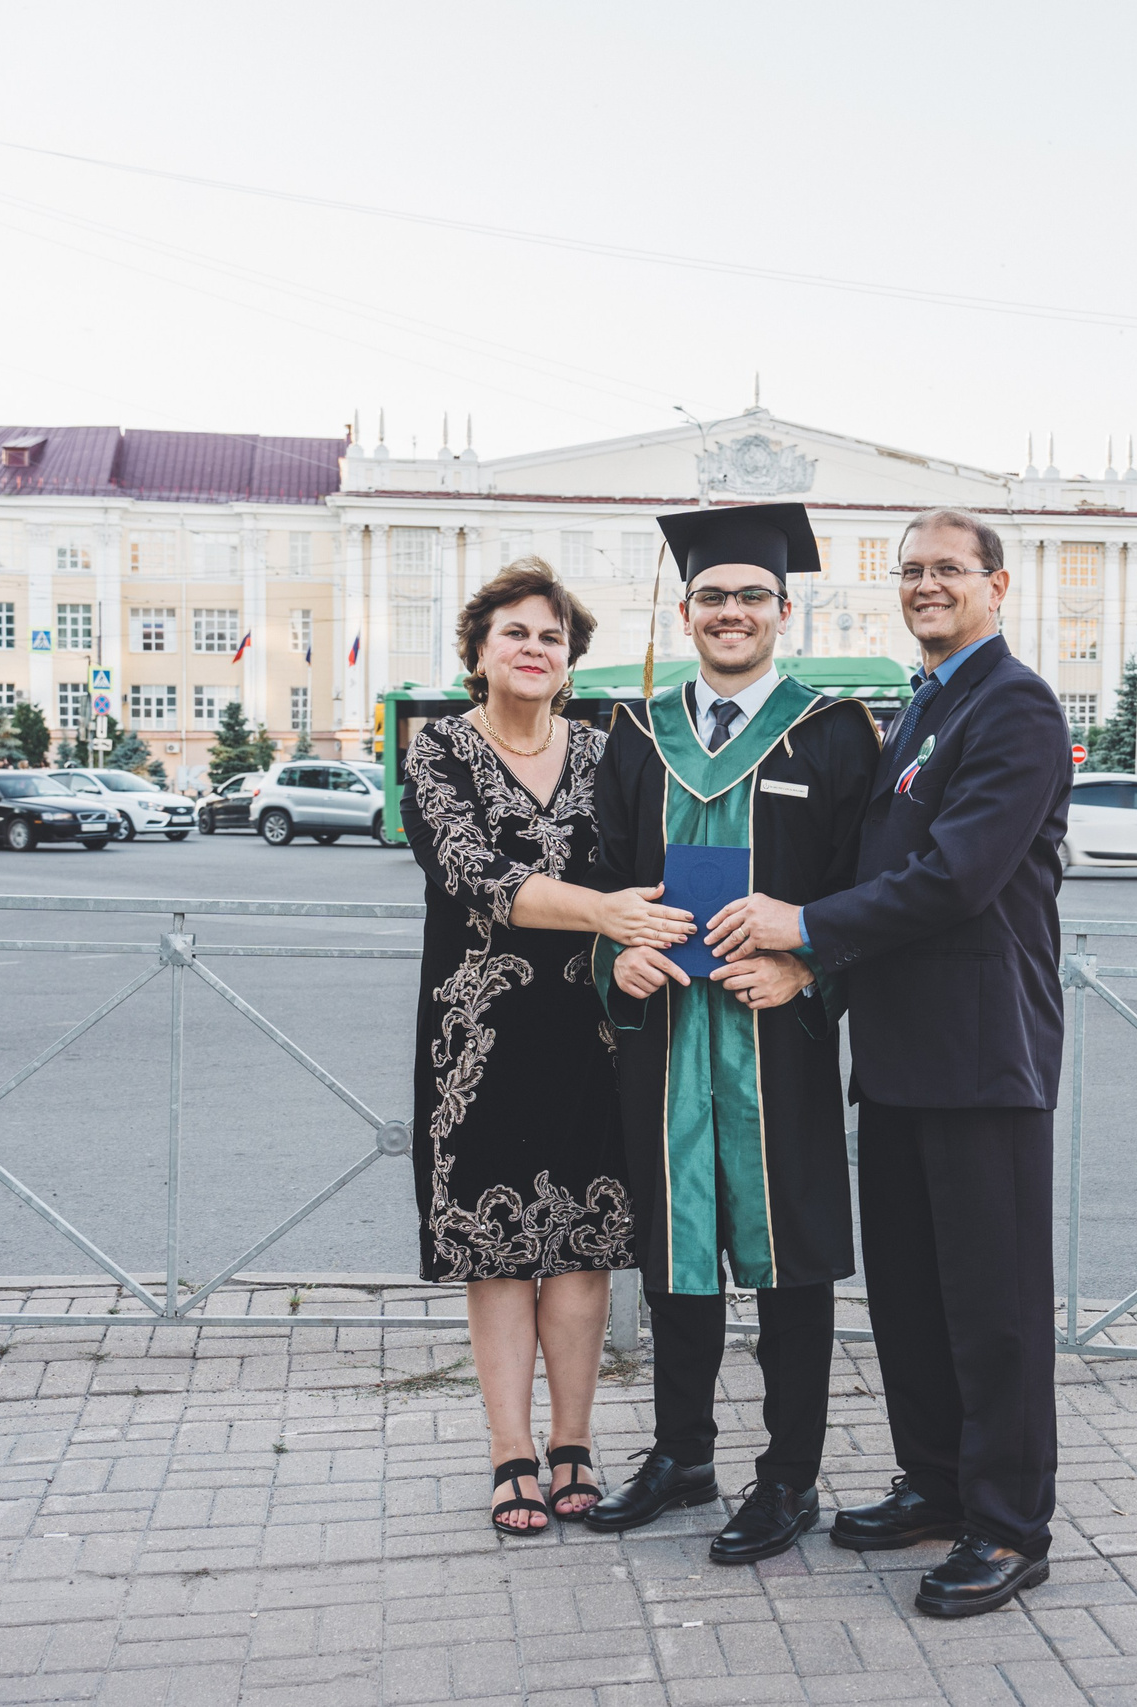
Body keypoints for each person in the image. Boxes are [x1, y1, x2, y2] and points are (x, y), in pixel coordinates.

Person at [707, 506, 1070, 1618]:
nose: (925, 586)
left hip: (982, 1052)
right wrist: (821, 966)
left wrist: (799, 932)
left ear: (995, 587)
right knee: (913, 1295)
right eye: (911, 571)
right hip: (905, 1053)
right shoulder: (922, 705)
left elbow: (954, 878)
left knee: (995, 1305)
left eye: (947, 570)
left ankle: (1008, 1528)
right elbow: (879, 860)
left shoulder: (1014, 707)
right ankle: (935, 1484)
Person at [581, 502, 882, 1564]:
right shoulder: (633, 736)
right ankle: (681, 1454)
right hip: (664, 1044)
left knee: (788, 1264)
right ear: (685, 609)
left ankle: (788, 1476)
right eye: (713, 596)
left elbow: (872, 891)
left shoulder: (834, 733)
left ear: (783, 612)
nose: (731, 613)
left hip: (777, 1045)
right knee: (677, 1262)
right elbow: (602, 885)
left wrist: (807, 967)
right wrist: (613, 955)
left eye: (752, 596)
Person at [399, 560, 696, 1538]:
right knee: (497, 1248)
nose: (535, 648)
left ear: (569, 662)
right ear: (478, 651)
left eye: (552, 637)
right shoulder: (437, 747)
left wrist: (648, 928)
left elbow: (650, 861)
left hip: (592, 1030)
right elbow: (473, 872)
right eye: (516, 632)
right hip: (478, 1040)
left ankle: (573, 1443)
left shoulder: (611, 747)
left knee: (583, 1243)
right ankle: (509, 1453)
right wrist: (605, 912)